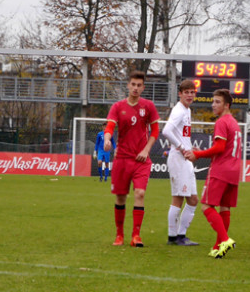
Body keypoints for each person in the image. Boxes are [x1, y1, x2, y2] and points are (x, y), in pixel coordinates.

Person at [182, 89, 241, 258]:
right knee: (225, 208)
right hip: (234, 170)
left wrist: (198, 154)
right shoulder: (234, 123)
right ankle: (218, 247)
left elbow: (220, 148)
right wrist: (203, 152)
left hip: (220, 170)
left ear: (226, 105)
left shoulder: (222, 122)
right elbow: (224, 149)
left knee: (206, 206)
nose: (213, 105)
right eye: (213, 101)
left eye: (217, 102)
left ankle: (225, 240)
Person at [103, 71, 159, 247]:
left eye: (139, 85)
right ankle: (119, 235)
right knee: (121, 197)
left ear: (143, 87)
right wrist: (107, 139)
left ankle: (136, 236)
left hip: (141, 160)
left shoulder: (148, 106)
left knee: (140, 193)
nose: (135, 88)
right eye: (133, 84)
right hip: (122, 159)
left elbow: (155, 131)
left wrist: (146, 150)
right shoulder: (117, 107)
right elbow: (110, 126)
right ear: (128, 85)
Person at [161, 80, 199, 246]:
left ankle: (181, 235)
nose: (190, 95)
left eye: (192, 92)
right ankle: (172, 237)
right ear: (180, 94)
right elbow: (166, 131)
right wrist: (182, 147)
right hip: (178, 158)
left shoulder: (187, 110)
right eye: (186, 92)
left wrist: (189, 147)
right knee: (178, 198)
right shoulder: (178, 110)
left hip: (186, 159)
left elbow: (181, 134)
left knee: (193, 200)